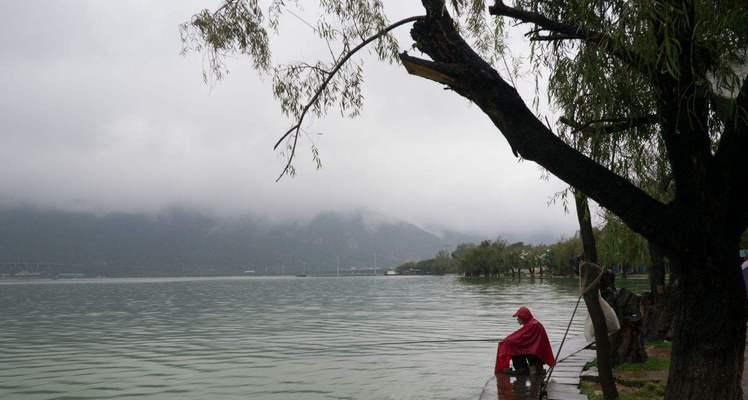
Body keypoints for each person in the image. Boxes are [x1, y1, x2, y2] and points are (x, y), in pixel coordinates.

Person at [494, 306, 555, 375]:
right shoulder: (532, 323)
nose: (517, 319)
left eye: (519, 317)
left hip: (536, 352)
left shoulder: (532, 325)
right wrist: (508, 340)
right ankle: (528, 368)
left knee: (513, 346)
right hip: (536, 350)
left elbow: (519, 338)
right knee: (514, 344)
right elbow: (520, 337)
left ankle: (522, 369)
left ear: (524, 317)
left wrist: (507, 340)